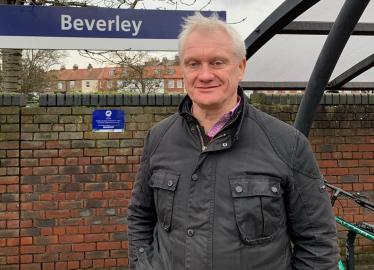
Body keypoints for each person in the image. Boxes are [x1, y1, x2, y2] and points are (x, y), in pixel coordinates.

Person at [127, 12, 340, 270]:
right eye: (193, 64)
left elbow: (318, 246)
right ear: (183, 70)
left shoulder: (287, 144)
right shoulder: (158, 138)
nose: (204, 75)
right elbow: (140, 217)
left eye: (217, 63)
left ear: (240, 68)